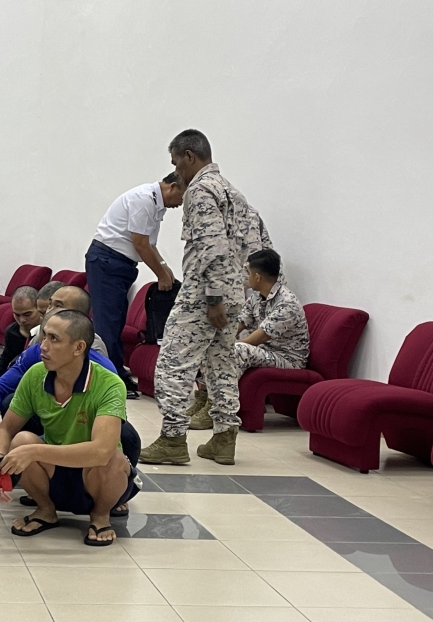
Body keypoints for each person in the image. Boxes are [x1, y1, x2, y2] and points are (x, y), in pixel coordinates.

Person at [0, 310, 139, 546]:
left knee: (113, 458)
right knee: (21, 441)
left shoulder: (110, 383)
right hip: (55, 474)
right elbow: (6, 430)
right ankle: (45, 510)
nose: (43, 346)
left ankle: (100, 516)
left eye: (53, 339)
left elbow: (101, 451)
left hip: (95, 477)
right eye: (44, 337)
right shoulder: (35, 375)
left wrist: (35, 452)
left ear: (78, 347)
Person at [140, 129, 250, 467]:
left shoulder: (200, 191)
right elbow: (257, 244)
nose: (177, 172)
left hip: (205, 295)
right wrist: (234, 295)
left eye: (177, 163)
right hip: (234, 293)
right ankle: (224, 438)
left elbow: (211, 247)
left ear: (189, 156)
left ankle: (173, 439)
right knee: (221, 364)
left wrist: (213, 298)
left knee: (173, 362)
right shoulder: (231, 190)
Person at [85, 174, 185, 394]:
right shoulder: (144, 199)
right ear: (173, 186)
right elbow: (140, 244)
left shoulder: (157, 204)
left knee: (116, 322)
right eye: (182, 196)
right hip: (107, 262)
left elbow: (150, 245)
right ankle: (108, 381)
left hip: (120, 264)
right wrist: (161, 274)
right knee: (107, 325)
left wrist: (165, 269)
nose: (181, 203)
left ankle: (117, 373)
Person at [189, 249, 308, 430]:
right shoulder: (258, 298)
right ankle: (204, 398)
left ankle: (216, 406)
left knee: (237, 350)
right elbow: (238, 324)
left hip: (287, 359)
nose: (246, 277)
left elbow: (257, 339)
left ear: (258, 276)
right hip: (266, 352)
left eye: (249, 273)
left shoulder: (287, 303)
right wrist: (215, 341)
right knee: (212, 344)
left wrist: (227, 346)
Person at [0, 285, 41, 381]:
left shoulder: (46, 332)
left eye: (27, 314)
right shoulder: (12, 332)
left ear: (39, 308)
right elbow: (6, 358)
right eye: (17, 315)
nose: (22, 320)